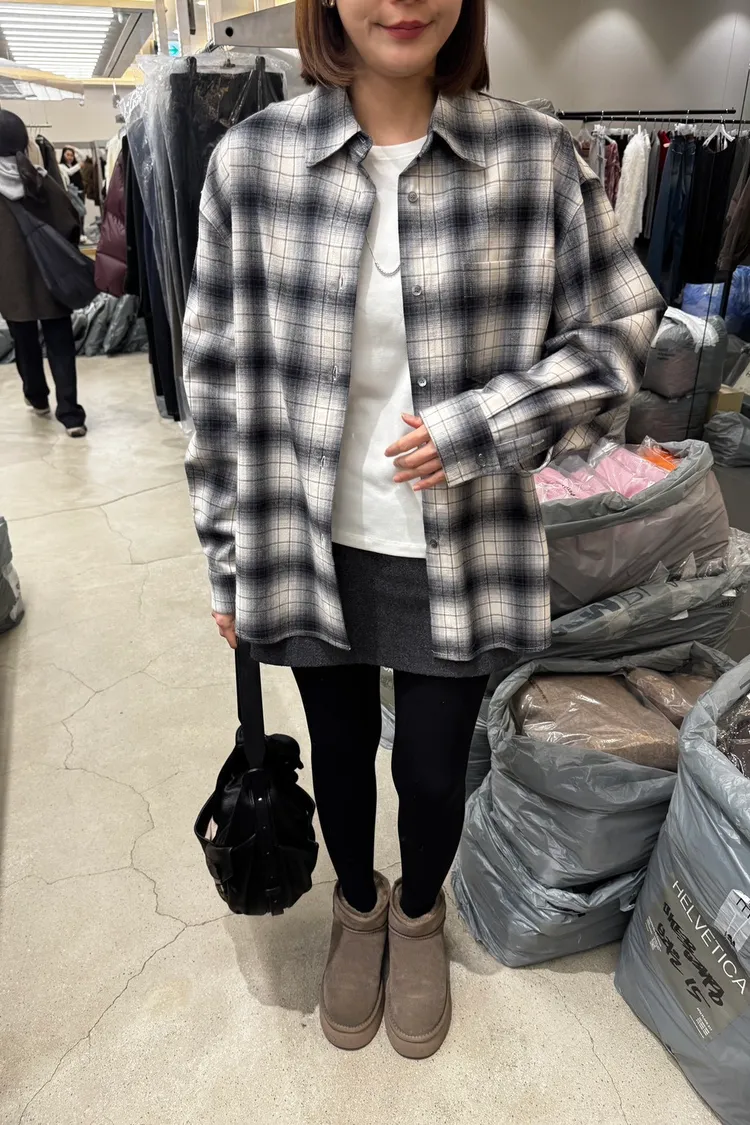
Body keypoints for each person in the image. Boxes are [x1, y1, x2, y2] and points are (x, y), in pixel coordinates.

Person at [183, 0, 663, 1058]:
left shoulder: (534, 157)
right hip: (307, 537)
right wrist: (225, 558)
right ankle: (358, 906)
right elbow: (212, 375)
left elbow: (621, 323)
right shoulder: (252, 163)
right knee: (341, 753)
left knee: (436, 770)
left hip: (464, 539)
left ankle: (417, 914)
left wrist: (483, 424)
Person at [0, 113, 87, 437]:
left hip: (9, 283)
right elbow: (71, 221)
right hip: (52, 278)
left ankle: (37, 398)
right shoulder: (39, 180)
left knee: (24, 342)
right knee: (60, 343)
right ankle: (71, 415)